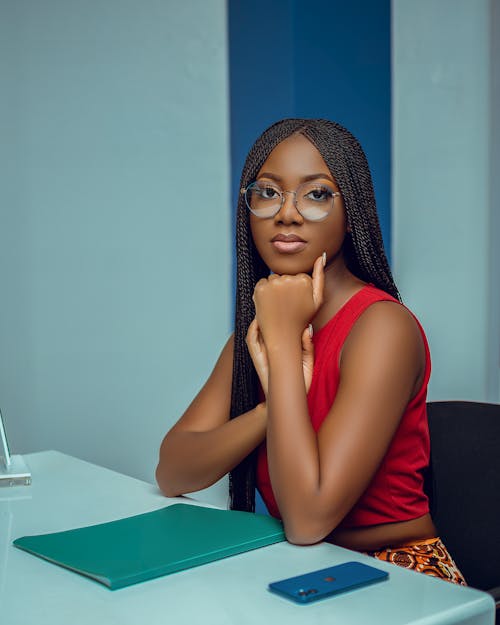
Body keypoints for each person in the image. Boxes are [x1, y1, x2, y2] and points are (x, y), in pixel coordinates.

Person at [156, 118, 466, 584]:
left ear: (352, 210)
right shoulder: (263, 330)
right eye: (268, 192)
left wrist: (281, 350)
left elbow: (307, 519)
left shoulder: (382, 327)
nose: (287, 214)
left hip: (399, 573)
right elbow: (173, 470)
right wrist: (270, 410)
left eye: (317, 194)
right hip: (302, 569)